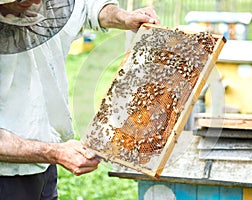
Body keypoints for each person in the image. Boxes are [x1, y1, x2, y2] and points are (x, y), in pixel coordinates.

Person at [0, 0, 159, 199]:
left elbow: (86, 8)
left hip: (45, 167)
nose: (36, 2)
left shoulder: (51, 5)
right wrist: (54, 152)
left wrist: (124, 17)